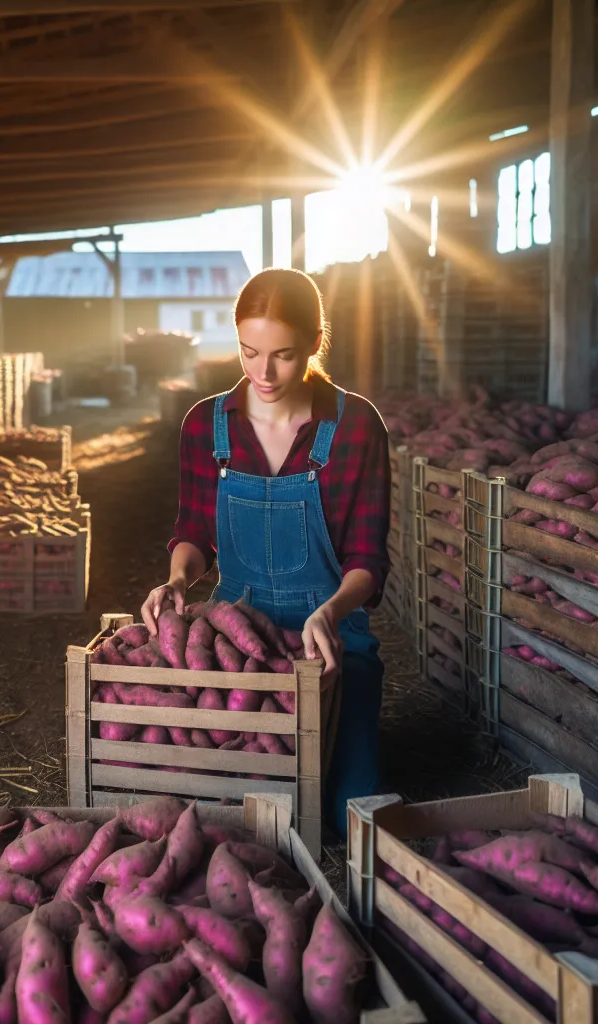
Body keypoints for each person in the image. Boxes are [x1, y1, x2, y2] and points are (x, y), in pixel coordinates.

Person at [141, 268, 391, 835]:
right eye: (249, 351)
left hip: (329, 639)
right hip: (236, 633)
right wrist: (178, 580)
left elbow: (368, 562)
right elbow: (195, 533)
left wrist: (330, 611)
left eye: (283, 354)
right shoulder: (206, 424)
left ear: (314, 342)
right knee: (223, 814)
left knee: (341, 817)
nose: (263, 372)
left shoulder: (355, 427)